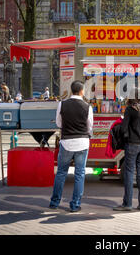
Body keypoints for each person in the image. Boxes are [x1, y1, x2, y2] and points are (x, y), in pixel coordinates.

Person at [49, 80, 93, 212]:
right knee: (80, 174)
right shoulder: (87, 107)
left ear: (71, 90)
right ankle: (75, 205)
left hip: (66, 142)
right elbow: (89, 127)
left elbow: (58, 123)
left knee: (61, 172)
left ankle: (54, 202)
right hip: (82, 142)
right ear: (81, 91)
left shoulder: (62, 104)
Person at [113, 87, 140, 211]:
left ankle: (127, 204)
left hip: (132, 145)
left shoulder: (130, 109)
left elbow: (124, 129)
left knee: (129, 173)